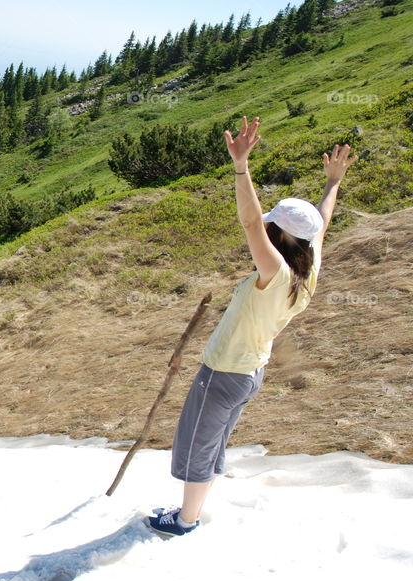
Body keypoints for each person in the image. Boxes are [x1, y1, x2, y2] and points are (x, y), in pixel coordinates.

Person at [148, 115, 359, 537]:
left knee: (198, 445)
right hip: (248, 372)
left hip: (224, 373)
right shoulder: (307, 267)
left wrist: (241, 166)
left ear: (276, 234)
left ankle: (185, 520)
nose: (263, 225)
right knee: (211, 442)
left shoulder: (276, 272)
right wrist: (332, 183)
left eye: (271, 223)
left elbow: (249, 222)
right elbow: (321, 222)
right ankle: (190, 509)